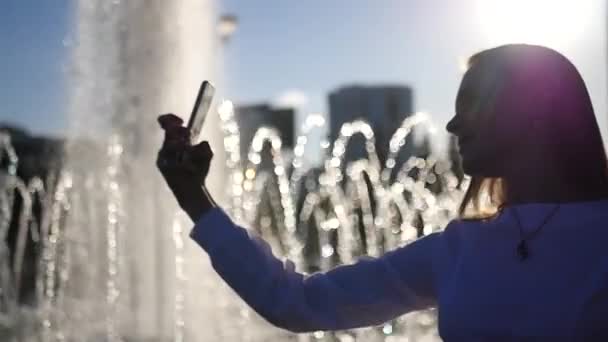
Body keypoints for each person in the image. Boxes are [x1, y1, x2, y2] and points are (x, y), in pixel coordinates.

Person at [156, 44, 608, 340]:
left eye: (471, 105)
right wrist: (195, 200)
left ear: (532, 110)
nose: (451, 125)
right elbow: (297, 302)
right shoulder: (458, 248)